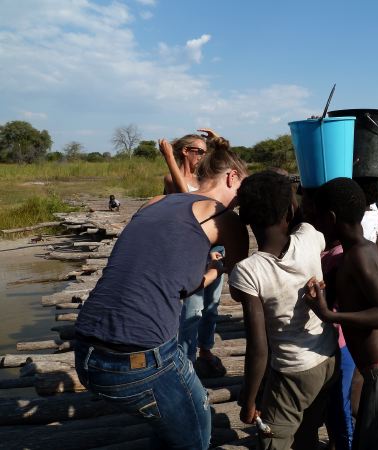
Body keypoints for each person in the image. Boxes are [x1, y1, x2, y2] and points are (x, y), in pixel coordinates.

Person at [74, 146, 249, 450]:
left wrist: (209, 273)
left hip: (86, 351)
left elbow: (161, 275)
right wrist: (222, 267)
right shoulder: (225, 217)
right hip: (140, 361)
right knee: (195, 433)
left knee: (171, 424)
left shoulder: (155, 202)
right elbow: (241, 286)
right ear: (232, 177)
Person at [305, 177, 378, 450]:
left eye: (316, 215)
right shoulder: (363, 250)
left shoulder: (359, 255)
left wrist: (330, 315)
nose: (313, 221)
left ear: (331, 218)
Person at [228, 171, 338, 450]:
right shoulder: (311, 236)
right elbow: (299, 220)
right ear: (291, 209)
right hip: (327, 357)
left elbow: (258, 348)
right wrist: (292, 200)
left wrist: (250, 400)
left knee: (273, 441)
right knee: (308, 430)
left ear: (245, 218)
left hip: (292, 372)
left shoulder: (248, 271)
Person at [160, 131, 231, 377]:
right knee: (192, 308)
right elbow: (186, 200)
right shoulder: (172, 178)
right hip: (193, 252)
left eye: (205, 151)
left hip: (215, 248)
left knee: (212, 305)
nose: (203, 156)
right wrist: (169, 158)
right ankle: (186, 362)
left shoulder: (205, 177)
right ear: (185, 152)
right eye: (199, 151)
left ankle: (206, 350)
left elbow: (227, 167)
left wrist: (220, 142)